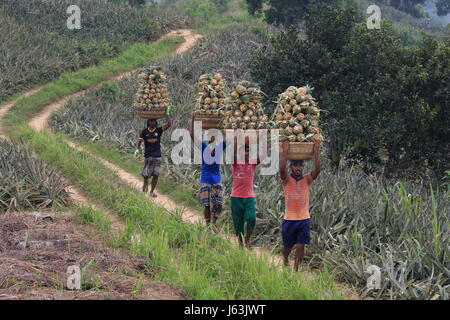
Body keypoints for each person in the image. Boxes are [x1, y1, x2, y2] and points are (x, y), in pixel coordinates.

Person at [279, 140, 321, 271]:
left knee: (301, 246)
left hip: (303, 219)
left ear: (303, 167)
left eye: (300, 165)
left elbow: (318, 169)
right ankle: (285, 258)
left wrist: (316, 152)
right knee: (288, 247)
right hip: (289, 219)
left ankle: (296, 271)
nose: (298, 168)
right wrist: (285, 151)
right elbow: (281, 169)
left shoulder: (307, 179)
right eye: (295, 165)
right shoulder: (286, 180)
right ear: (291, 167)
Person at [188, 113, 225, 229]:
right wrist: (193, 119)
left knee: (217, 204)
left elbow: (231, 138)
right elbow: (191, 134)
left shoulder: (219, 146)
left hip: (216, 179)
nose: (210, 137)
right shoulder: (203, 146)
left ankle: (213, 225)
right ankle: (208, 226)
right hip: (206, 179)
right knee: (207, 205)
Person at [230, 131, 263, 249]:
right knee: (238, 223)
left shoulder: (252, 163)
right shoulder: (235, 162)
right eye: (244, 150)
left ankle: (247, 240)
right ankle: (240, 242)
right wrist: (235, 140)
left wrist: (259, 139)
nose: (246, 153)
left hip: (249, 197)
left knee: (251, 218)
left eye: (248, 151)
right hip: (236, 197)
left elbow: (262, 156)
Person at [135, 114, 172, 197]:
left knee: (156, 175)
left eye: (154, 121)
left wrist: (167, 114)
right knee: (146, 175)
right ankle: (145, 184)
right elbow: (139, 141)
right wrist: (137, 149)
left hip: (157, 156)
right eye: (151, 121)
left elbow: (169, 124)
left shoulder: (158, 130)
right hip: (148, 156)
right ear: (148, 122)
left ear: (156, 122)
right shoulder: (144, 131)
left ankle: (152, 191)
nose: (152, 122)